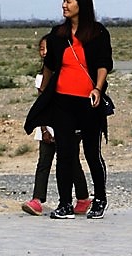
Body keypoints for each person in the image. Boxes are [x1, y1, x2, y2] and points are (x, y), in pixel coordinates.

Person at [25, 0, 113, 220]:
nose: (64, 5)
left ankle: (100, 200)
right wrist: (44, 93)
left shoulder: (98, 33)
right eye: (63, 0)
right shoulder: (58, 34)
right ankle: (65, 204)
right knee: (65, 152)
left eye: (68, 1)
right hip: (63, 101)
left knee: (92, 152)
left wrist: (97, 88)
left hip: (89, 101)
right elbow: (50, 66)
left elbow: (104, 64)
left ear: (81, 4)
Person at [21, 34, 90, 217]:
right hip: (48, 126)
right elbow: (42, 106)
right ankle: (37, 200)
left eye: (47, 49)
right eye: (41, 49)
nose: (44, 53)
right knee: (44, 163)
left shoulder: (69, 74)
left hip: (68, 126)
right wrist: (44, 129)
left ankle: (83, 198)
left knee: (71, 162)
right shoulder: (41, 77)